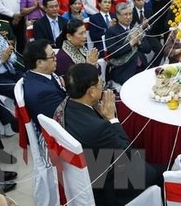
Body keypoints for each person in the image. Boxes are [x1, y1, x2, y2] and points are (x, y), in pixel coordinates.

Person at [53, 63, 158, 205]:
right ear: (91, 91)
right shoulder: (98, 128)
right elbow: (128, 153)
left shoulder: (63, 106)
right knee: (156, 172)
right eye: (100, 83)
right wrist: (111, 118)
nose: (102, 86)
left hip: (81, 171)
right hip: (107, 183)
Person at [23, 39, 66, 129]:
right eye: (52, 56)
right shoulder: (42, 93)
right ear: (39, 63)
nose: (56, 59)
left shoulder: (39, 75)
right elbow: (62, 119)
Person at [105, 3, 151, 84]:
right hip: (124, 70)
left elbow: (148, 49)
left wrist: (139, 42)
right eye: (125, 14)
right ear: (118, 15)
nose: (129, 17)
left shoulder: (136, 28)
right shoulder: (111, 31)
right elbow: (113, 52)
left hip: (142, 67)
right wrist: (131, 43)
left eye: (130, 14)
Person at [131, 0, 163, 67]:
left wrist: (148, 25)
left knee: (160, 50)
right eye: (138, 0)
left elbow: (154, 25)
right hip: (138, 38)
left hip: (149, 35)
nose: (141, 2)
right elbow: (131, 28)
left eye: (142, 0)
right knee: (141, 54)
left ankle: (152, 66)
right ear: (134, 1)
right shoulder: (131, 12)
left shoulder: (149, 10)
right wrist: (141, 26)